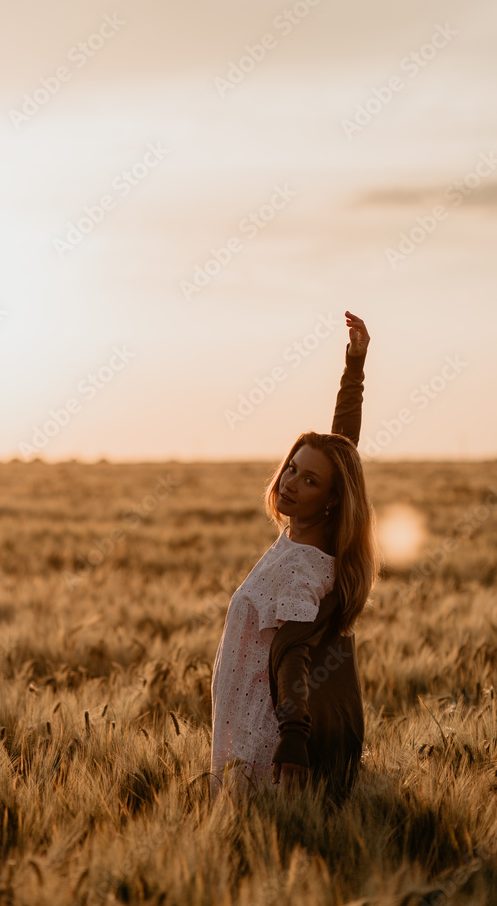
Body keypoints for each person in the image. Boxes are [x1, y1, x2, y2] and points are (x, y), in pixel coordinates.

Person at [209, 310, 379, 800]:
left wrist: (293, 739)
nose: (289, 482)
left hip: (262, 735)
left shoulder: (305, 567)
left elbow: (293, 656)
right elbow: (340, 449)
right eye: (292, 468)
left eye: (309, 481)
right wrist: (354, 368)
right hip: (247, 716)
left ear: (329, 500)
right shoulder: (314, 534)